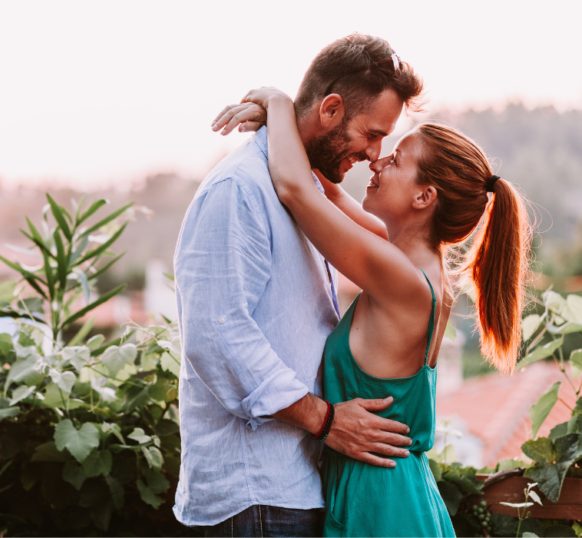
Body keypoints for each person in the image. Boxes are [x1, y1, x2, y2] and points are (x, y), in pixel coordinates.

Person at [212, 85, 531, 536]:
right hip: (393, 493)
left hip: (380, 505)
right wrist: (294, 129)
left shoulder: (399, 278)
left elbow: (296, 191)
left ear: (424, 197)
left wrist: (278, 100)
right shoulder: (417, 269)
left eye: (396, 160)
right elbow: (327, 194)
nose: (377, 162)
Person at [172, 34, 424, 536]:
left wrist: (277, 104)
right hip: (255, 494)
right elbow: (218, 335)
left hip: (296, 486)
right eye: (372, 134)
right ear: (330, 109)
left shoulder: (307, 192)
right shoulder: (240, 190)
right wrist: (326, 420)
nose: (375, 154)